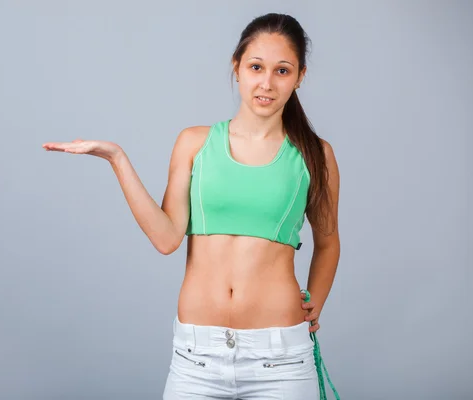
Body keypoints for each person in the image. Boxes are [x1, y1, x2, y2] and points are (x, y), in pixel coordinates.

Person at [42, 12, 340, 400]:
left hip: (280, 359)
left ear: (299, 76)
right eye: (256, 67)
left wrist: (314, 302)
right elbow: (166, 238)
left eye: (282, 71)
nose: (266, 83)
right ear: (237, 68)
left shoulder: (314, 155)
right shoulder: (194, 143)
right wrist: (117, 158)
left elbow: (328, 242)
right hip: (197, 359)